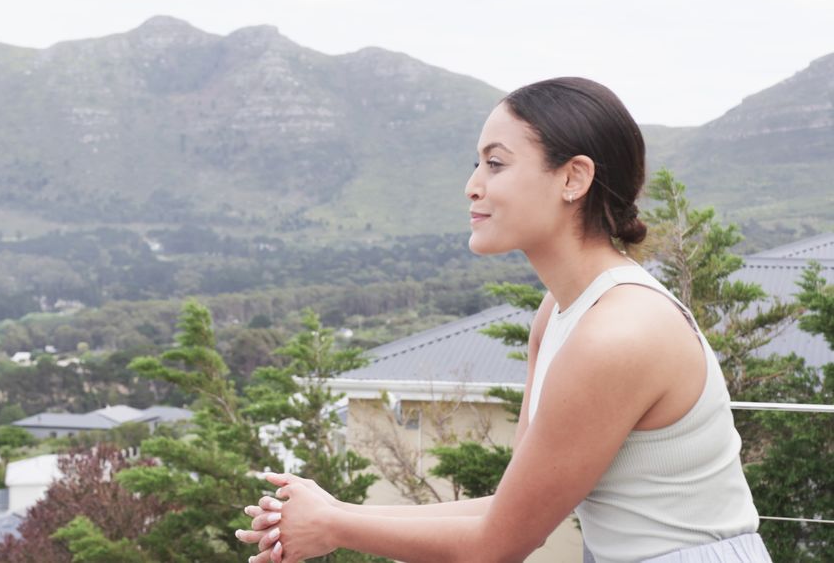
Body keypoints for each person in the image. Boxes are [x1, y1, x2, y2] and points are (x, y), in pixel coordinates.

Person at [233, 77, 772, 563]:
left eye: (495, 164)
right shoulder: (561, 312)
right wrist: (339, 515)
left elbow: (498, 546)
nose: (472, 185)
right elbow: (509, 512)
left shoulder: (617, 333)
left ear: (573, 178)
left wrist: (336, 525)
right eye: (477, 164)